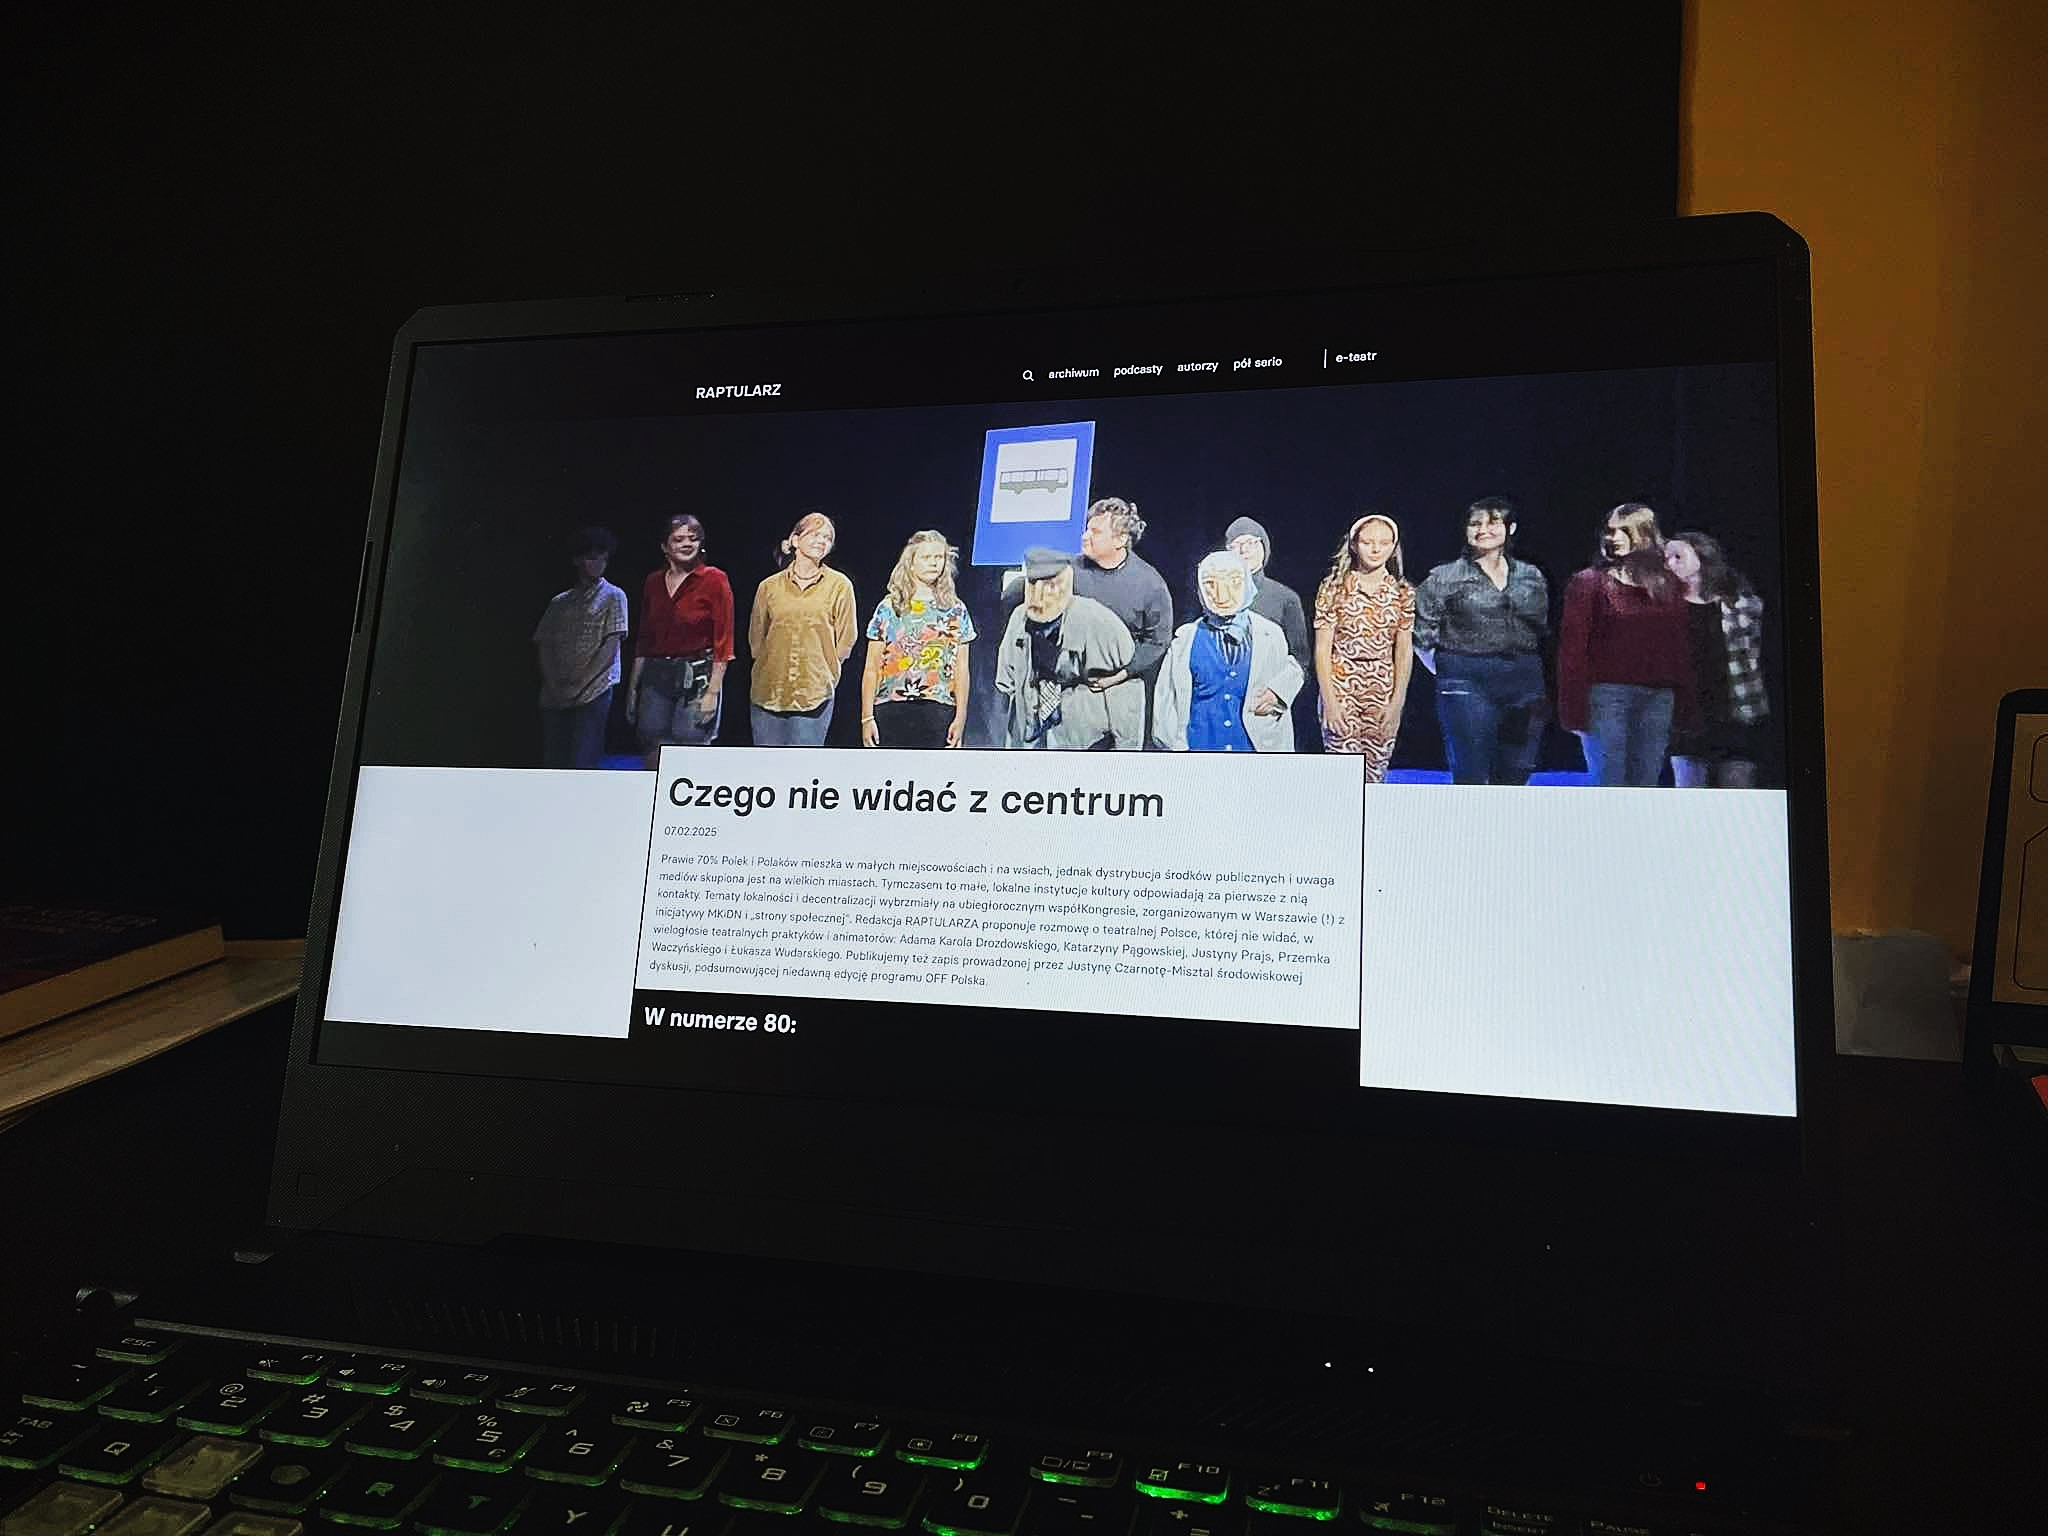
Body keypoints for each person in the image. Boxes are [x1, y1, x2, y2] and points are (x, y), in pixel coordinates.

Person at [1410, 496, 1552, 784]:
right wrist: (1448, 671)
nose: (1483, 530)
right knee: (1471, 771)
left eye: (1493, 522)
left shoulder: (1531, 575)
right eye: (1475, 524)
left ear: (1510, 528)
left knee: (1516, 772)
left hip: (1524, 682)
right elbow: (1422, 634)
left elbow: (1540, 627)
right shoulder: (1444, 577)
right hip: (1466, 679)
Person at [1556, 503, 1698, 787]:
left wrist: (1687, 704)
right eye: (1610, 531)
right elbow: (1572, 650)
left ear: (1645, 535)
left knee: (1645, 784)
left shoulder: (1668, 584)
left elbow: (1680, 647)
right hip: (1607, 695)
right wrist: (1572, 709)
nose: (1614, 537)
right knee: (1610, 784)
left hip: (1658, 696)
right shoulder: (1589, 583)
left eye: (1624, 531)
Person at [1153, 551, 1303, 753]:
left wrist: (1279, 693)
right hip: (1201, 753)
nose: (1222, 595)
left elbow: (1293, 669)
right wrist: (1175, 751)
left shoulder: (1270, 634)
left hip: (1255, 752)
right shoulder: (1185, 640)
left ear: (1247, 584)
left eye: (1234, 582)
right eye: (1210, 584)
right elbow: (1166, 701)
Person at [994, 548, 1135, 749]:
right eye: (1035, 585)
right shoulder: (1020, 617)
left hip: (1085, 731)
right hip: (1034, 722)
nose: (1042, 595)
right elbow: (1007, 673)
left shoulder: (1096, 619)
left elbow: (1125, 679)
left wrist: (1125, 745)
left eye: (1050, 585)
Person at [1313, 513, 1415, 782]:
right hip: (1341, 684)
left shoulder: (1402, 592)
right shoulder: (1334, 588)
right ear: (1354, 545)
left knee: (1374, 773)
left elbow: (1403, 651)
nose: (1375, 549)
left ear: (1393, 547)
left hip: (1382, 688)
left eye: (1384, 543)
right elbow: (1322, 649)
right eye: (1368, 542)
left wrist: (1397, 704)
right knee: (1344, 772)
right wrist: (1330, 702)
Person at [1663, 529, 1769, 787]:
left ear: (1702, 556)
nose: (1670, 563)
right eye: (1666, 558)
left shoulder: (1740, 604)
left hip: (1735, 714)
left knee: (1738, 796)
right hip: (1686, 719)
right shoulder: (1664, 607)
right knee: (1690, 796)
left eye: (1678, 556)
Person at [627, 514, 735, 766]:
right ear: (665, 546)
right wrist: (633, 688)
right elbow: (644, 639)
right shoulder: (653, 582)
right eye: (678, 539)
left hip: (697, 674)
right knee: (652, 738)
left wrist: (713, 692)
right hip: (656, 674)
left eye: (693, 538)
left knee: (690, 741)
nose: (687, 543)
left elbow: (724, 641)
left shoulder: (714, 579)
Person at [748, 510, 857, 746]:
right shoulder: (768, 587)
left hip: (814, 694)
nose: (822, 541)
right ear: (795, 540)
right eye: (815, 534)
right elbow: (756, 637)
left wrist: (828, 670)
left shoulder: (839, 585)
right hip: (769, 690)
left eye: (827, 538)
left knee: (803, 762)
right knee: (766, 763)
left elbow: (847, 637)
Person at [1070, 496, 1171, 748]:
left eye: (1095, 532)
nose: (1085, 536)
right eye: (1086, 529)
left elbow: (1158, 641)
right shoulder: (1069, 573)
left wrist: (1121, 674)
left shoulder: (1150, 583)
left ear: (1120, 539)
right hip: (1076, 692)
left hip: (1125, 689)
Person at [859, 530, 974, 748]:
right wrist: (867, 717)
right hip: (891, 707)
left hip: (939, 709)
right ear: (911, 563)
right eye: (926, 557)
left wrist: (961, 718)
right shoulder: (889, 608)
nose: (934, 563)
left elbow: (961, 669)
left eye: (938, 557)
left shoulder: (955, 610)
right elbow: (872, 667)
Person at [534, 526, 629, 770]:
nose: (598, 564)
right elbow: (545, 644)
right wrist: (554, 684)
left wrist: (581, 684)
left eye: (603, 559)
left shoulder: (614, 596)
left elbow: (611, 644)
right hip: (556, 694)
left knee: (583, 761)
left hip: (593, 692)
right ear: (577, 560)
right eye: (591, 558)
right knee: (554, 761)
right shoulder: (559, 602)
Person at [1223, 515, 1312, 741]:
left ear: (1264, 548)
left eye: (1251, 542)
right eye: (1236, 544)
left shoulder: (1284, 598)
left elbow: (1301, 659)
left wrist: (1278, 693)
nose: (1244, 550)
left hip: (1263, 708)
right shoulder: (1214, 596)